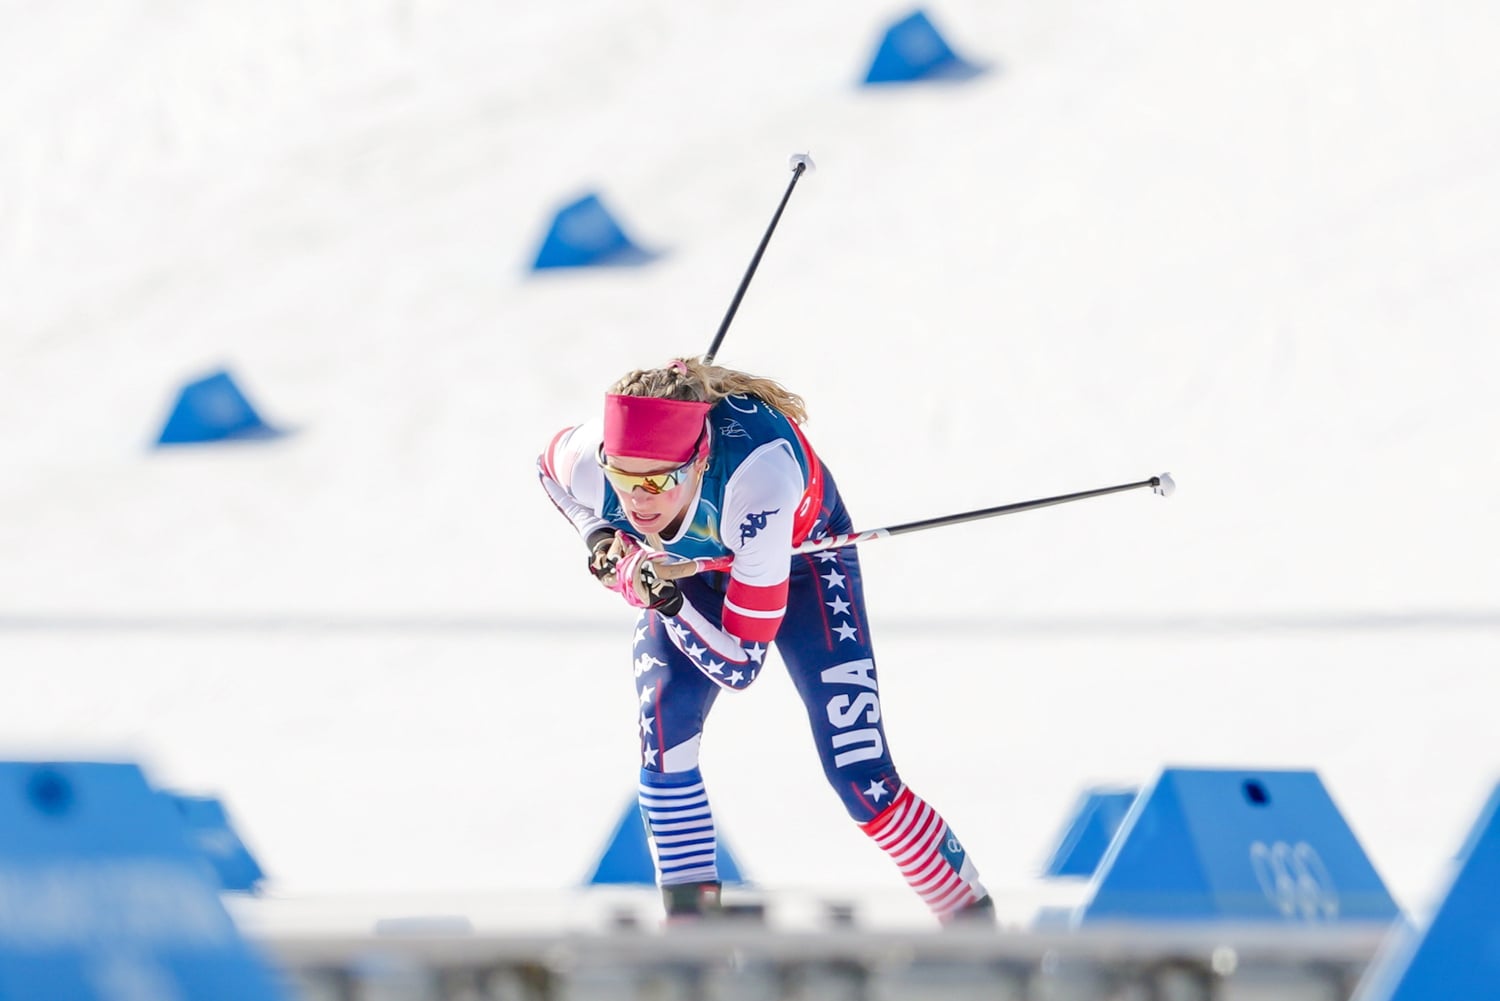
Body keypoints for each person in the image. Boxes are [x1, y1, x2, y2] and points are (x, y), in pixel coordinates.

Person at [538, 357, 993, 924]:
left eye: (655, 480)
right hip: (689, 562)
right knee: (665, 731)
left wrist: (665, 601)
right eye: (623, 477)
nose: (637, 499)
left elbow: (740, 665)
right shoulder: (591, 459)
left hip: (800, 559)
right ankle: (691, 945)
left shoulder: (761, 483)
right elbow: (547, 470)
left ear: (698, 459)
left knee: (859, 773)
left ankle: (974, 922)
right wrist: (600, 535)